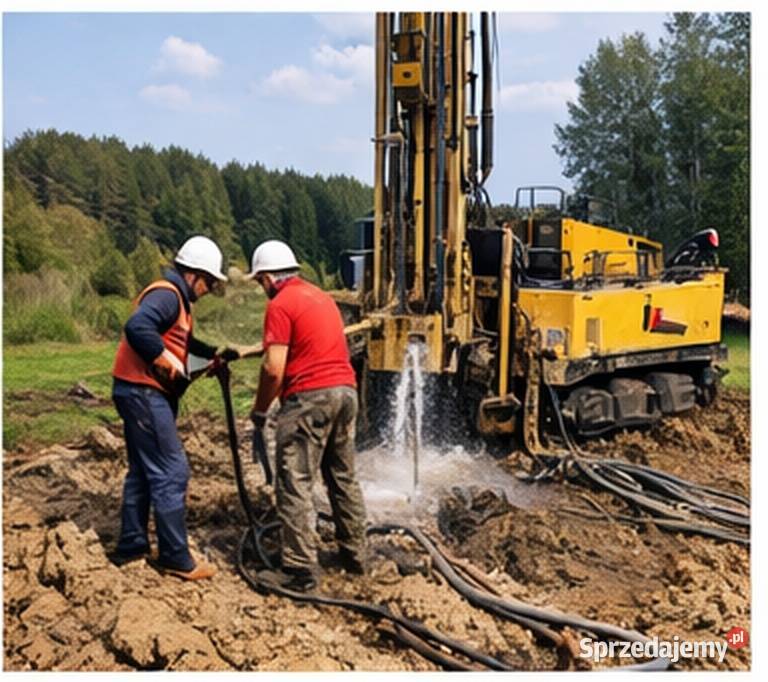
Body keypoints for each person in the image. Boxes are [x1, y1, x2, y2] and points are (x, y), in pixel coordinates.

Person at [248, 240, 366, 592]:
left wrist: (259, 411)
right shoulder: (320, 297)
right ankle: (355, 554)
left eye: (260, 282)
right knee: (342, 476)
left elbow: (273, 369)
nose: (261, 288)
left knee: (294, 480)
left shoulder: (281, 304)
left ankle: (300, 570)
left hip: (310, 398)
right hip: (346, 393)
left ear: (269, 277)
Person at [111, 235, 227, 580]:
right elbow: (137, 327)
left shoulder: (177, 301)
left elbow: (183, 343)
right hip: (144, 392)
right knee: (171, 470)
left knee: (143, 471)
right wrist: (162, 361)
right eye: (208, 281)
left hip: (133, 390)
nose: (208, 289)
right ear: (192, 274)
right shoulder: (167, 294)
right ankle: (175, 556)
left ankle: (132, 545)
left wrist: (214, 355)